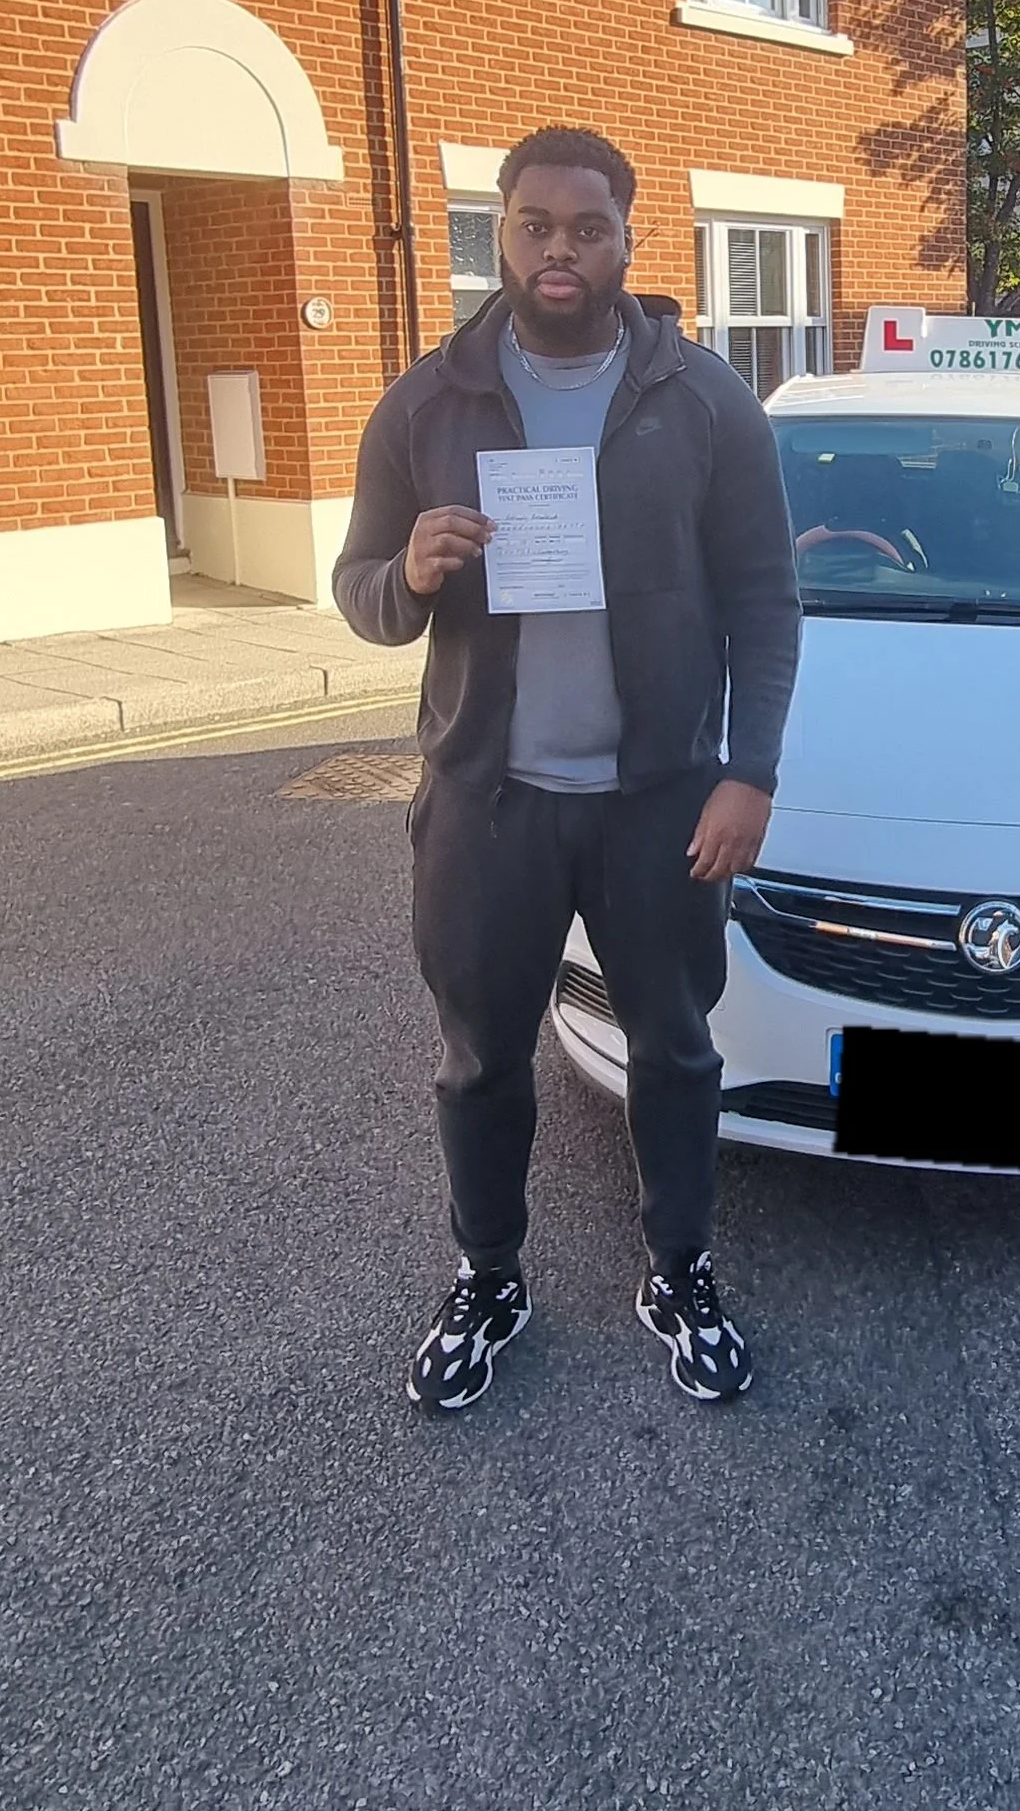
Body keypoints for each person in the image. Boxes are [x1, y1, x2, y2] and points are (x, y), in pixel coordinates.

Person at [333, 126, 801, 1413]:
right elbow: (358, 587)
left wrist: (750, 771)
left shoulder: (705, 401)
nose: (559, 249)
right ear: (501, 232)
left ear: (626, 240)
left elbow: (766, 601)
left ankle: (679, 1268)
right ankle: (489, 1276)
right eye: (535, 224)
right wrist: (406, 573)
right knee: (479, 1059)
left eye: (587, 228)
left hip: (658, 804)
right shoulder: (427, 402)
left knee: (676, 1051)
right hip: (490, 808)